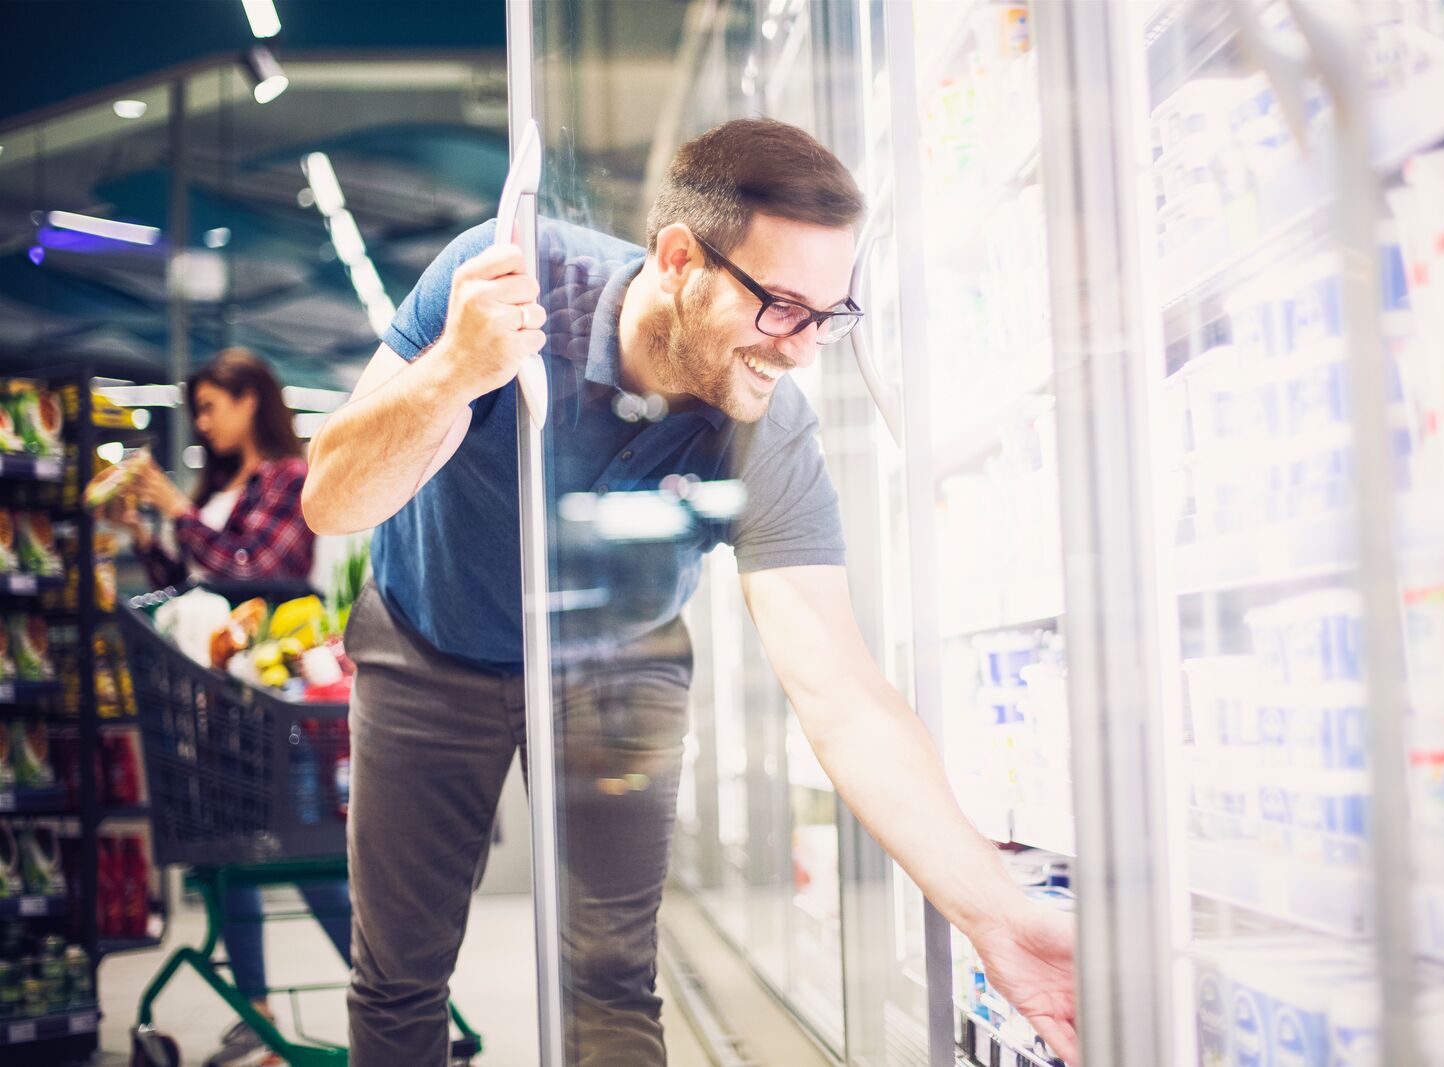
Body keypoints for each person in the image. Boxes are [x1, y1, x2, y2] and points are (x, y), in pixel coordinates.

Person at [304, 119, 1078, 1067]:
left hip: (619, 663)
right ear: (680, 259)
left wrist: (997, 916)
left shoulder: (770, 433)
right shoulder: (505, 277)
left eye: (830, 316)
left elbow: (841, 694)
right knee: (400, 976)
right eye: (782, 306)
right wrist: (451, 376)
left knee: (611, 977)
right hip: (427, 643)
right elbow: (330, 501)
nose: (802, 350)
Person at [114, 349, 351, 1067]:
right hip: (217, 700)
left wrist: (180, 512)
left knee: (306, 854)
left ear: (252, 400)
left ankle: (399, 990)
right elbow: (192, 588)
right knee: (230, 853)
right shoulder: (220, 485)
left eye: (213, 405)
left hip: (271, 697)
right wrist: (145, 538)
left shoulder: (290, 479)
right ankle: (257, 1009)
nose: (204, 422)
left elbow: (259, 571)